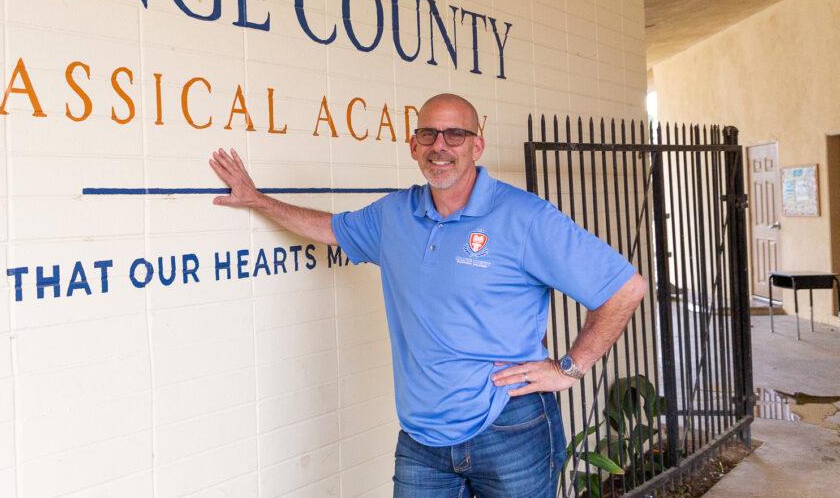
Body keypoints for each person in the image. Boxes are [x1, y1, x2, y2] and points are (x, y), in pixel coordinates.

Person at [208, 93, 647, 498]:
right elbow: (330, 229)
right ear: (413, 145)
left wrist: (570, 368)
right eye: (427, 134)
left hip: (509, 426)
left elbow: (625, 288)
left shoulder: (524, 217)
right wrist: (258, 200)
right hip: (422, 439)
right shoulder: (393, 215)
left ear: (477, 146)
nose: (440, 145)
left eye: (455, 133)